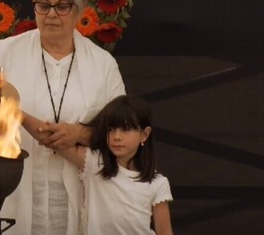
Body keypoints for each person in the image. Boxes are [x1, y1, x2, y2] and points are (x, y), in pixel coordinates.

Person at [0, 0, 126, 234]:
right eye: (43, 5)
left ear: (78, 10)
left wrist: (80, 132)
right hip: (15, 192)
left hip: (80, 194)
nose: (51, 14)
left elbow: (124, 130)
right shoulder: (9, 51)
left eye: (61, 6)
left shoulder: (102, 64)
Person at [34, 95, 173, 235]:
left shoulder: (158, 184)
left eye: (125, 129)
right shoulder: (95, 164)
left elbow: (165, 231)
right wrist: (17, 114)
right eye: (110, 129)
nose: (116, 136)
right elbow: (49, 138)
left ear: (144, 134)